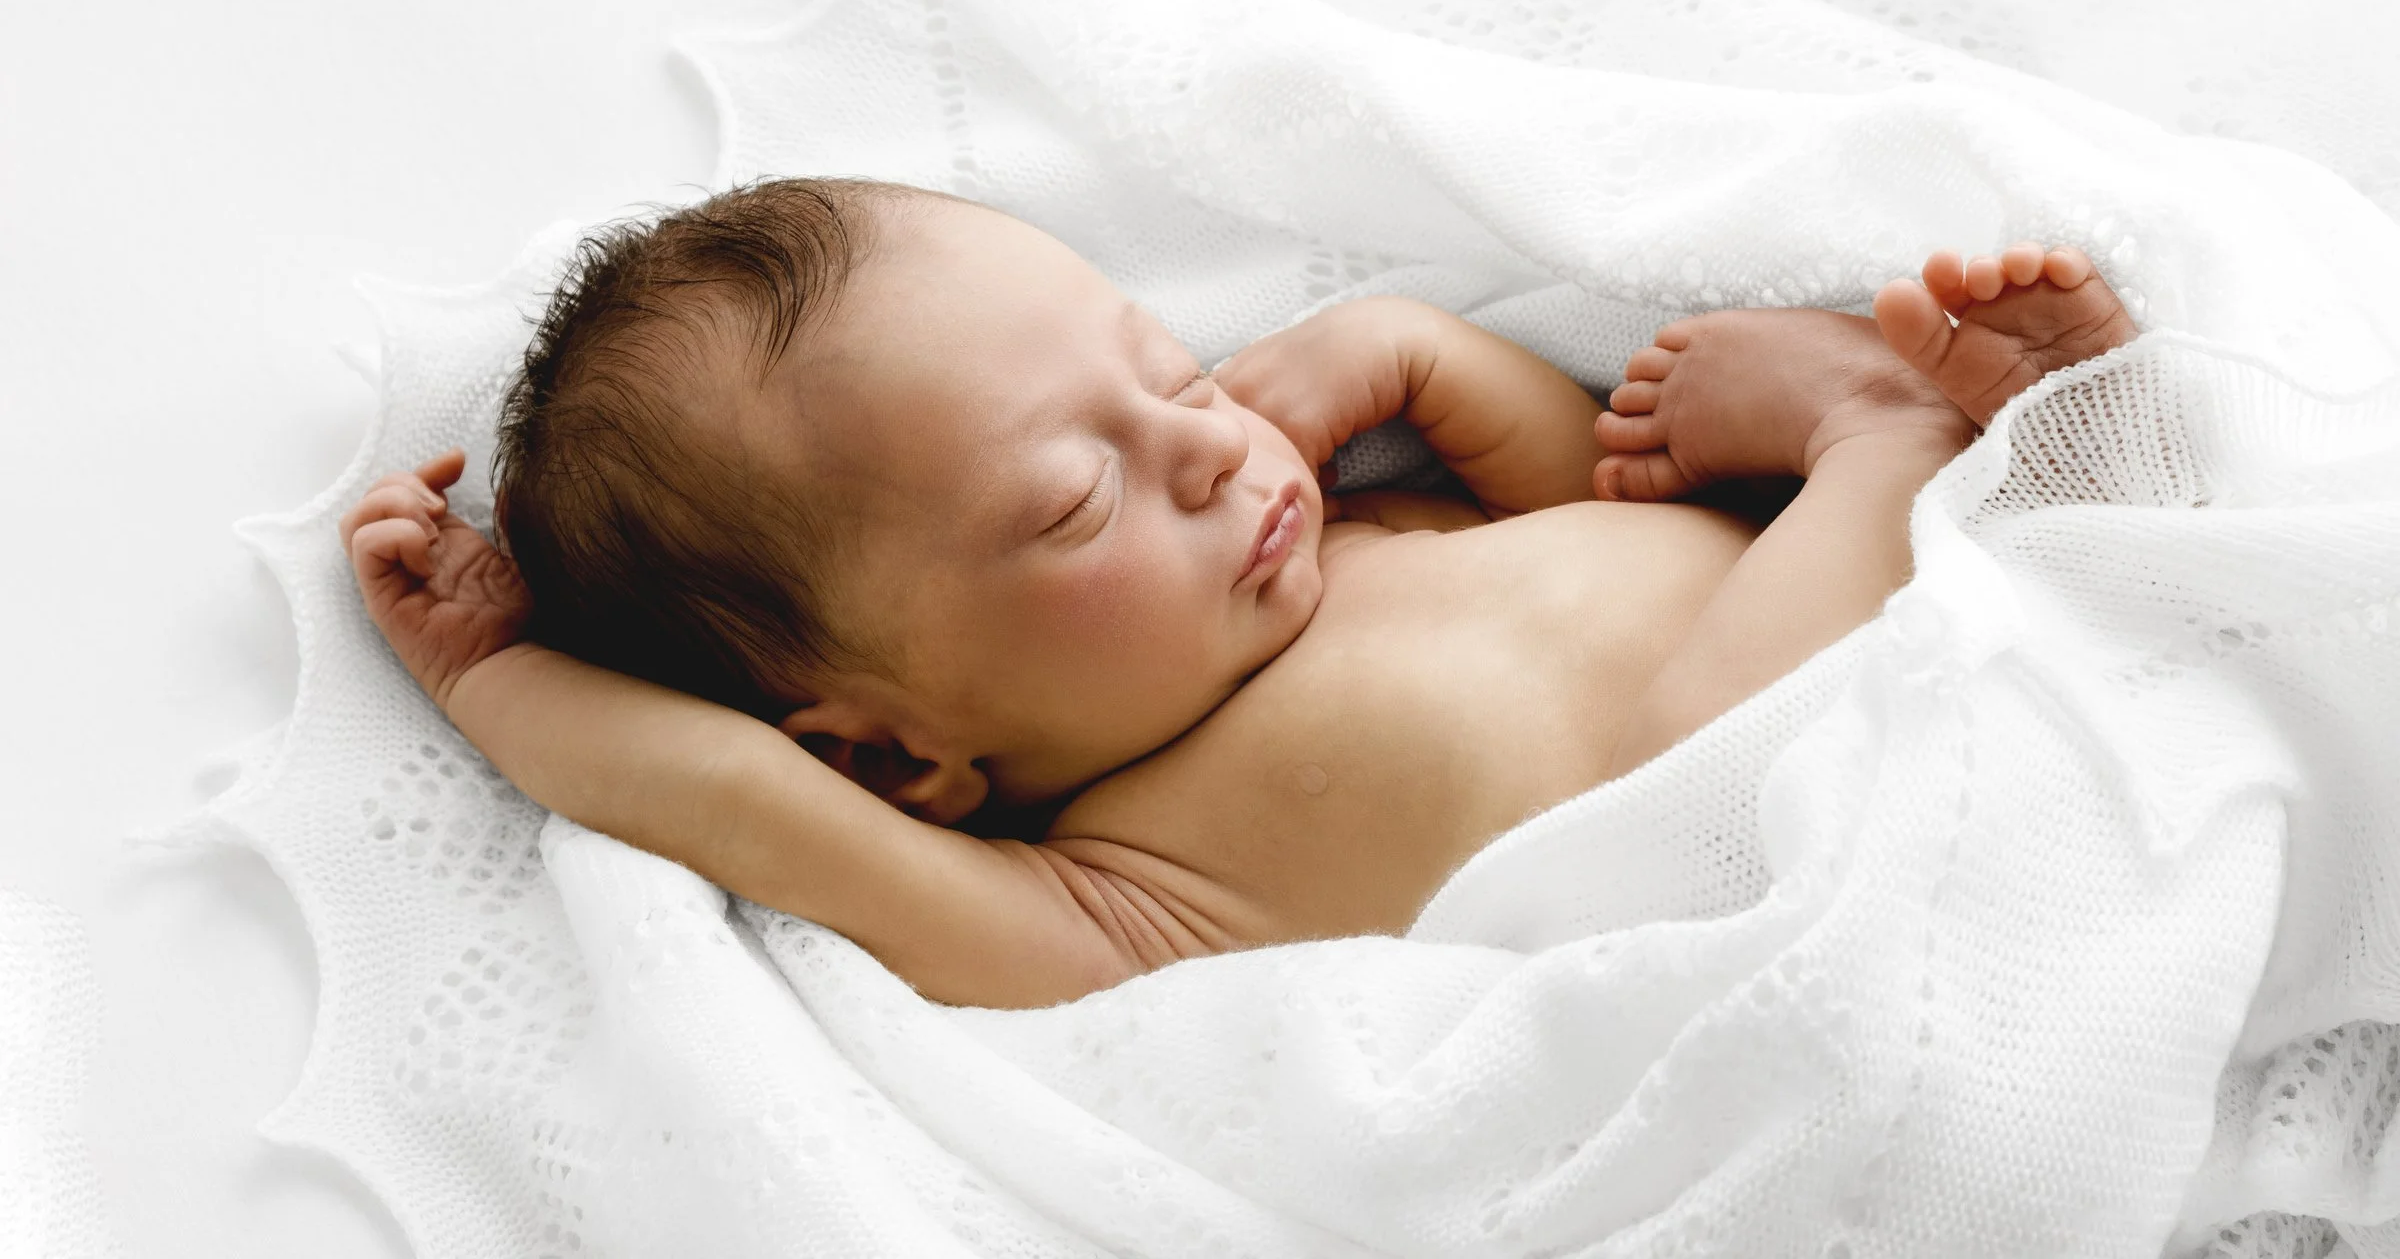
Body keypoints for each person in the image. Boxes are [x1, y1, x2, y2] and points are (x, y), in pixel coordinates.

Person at [341, 180, 2136, 1008]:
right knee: (1692, 766)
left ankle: (2042, 445)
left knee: (1690, 478)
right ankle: (1896, 431)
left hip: (1973, 678)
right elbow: (720, 792)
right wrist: (496, 670)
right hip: (1779, 847)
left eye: (1169, 370)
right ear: (894, 761)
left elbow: (1589, 484)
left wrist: (1416, 353)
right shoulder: (1102, 902)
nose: (1203, 448)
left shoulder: (1345, 541)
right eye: (1073, 497)